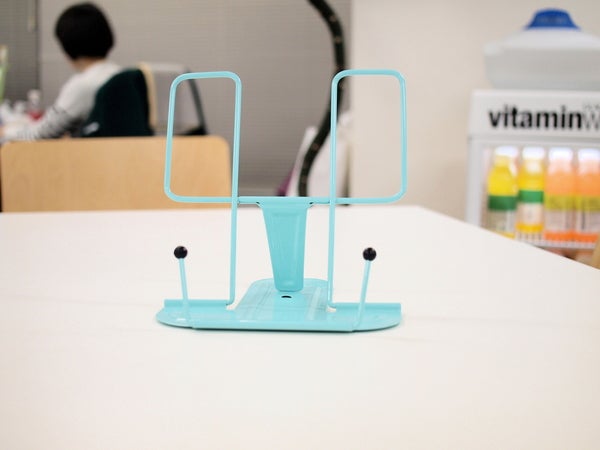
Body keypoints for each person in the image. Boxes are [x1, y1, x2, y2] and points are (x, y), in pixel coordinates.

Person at [0, 2, 120, 141]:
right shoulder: (118, 74)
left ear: (67, 45)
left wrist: (6, 132)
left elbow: (42, 134)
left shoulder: (83, 85)